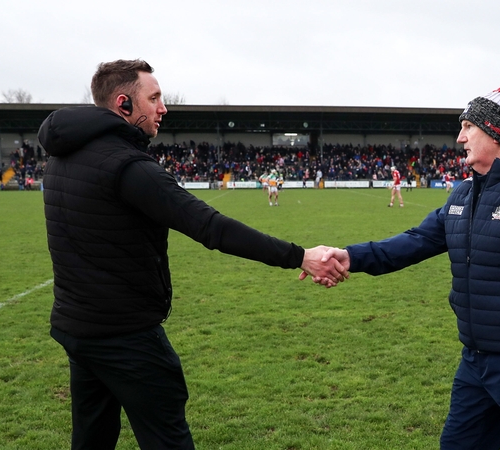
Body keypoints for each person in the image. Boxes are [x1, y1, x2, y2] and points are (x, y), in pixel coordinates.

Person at [38, 59, 346, 450]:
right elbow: (211, 227)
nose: (163, 108)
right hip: (125, 337)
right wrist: (300, 256)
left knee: (92, 438)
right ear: (123, 104)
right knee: (167, 440)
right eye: (154, 98)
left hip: (77, 329)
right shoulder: (128, 166)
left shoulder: (61, 158)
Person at [306, 78, 500, 449]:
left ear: (496, 132)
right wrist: (351, 256)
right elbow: (416, 241)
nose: (460, 137)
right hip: (474, 361)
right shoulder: (464, 193)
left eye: (468, 126)